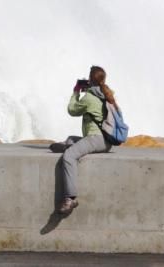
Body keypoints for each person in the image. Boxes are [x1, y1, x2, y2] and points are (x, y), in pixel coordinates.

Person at [56, 65, 117, 216]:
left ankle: (70, 198)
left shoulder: (90, 98)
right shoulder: (107, 93)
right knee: (71, 139)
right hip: (107, 140)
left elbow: (72, 110)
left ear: (90, 80)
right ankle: (69, 144)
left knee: (69, 156)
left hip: (96, 139)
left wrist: (76, 91)